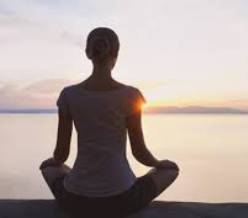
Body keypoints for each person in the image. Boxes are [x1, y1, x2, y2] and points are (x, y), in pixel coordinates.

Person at [39, 27, 179, 218]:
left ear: (88, 53)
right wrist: (158, 163)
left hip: (75, 200)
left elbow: (61, 155)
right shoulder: (130, 95)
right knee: (171, 170)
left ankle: (79, 180)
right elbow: (139, 153)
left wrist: (54, 162)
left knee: (49, 168)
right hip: (122, 199)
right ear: (116, 54)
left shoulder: (69, 95)